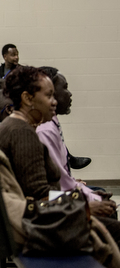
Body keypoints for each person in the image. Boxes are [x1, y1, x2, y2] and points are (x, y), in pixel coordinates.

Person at [0, 66, 120, 247]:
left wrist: (80, 198)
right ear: (27, 98)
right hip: (37, 228)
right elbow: (40, 197)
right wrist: (84, 207)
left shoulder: (13, 128)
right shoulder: (23, 133)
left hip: (25, 221)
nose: (54, 102)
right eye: (48, 96)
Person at [36, 67, 116, 216]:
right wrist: (90, 198)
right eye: (65, 88)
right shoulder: (45, 130)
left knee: (102, 198)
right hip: (52, 205)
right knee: (107, 209)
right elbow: (59, 185)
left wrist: (83, 189)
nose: (70, 93)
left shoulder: (52, 123)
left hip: (56, 197)